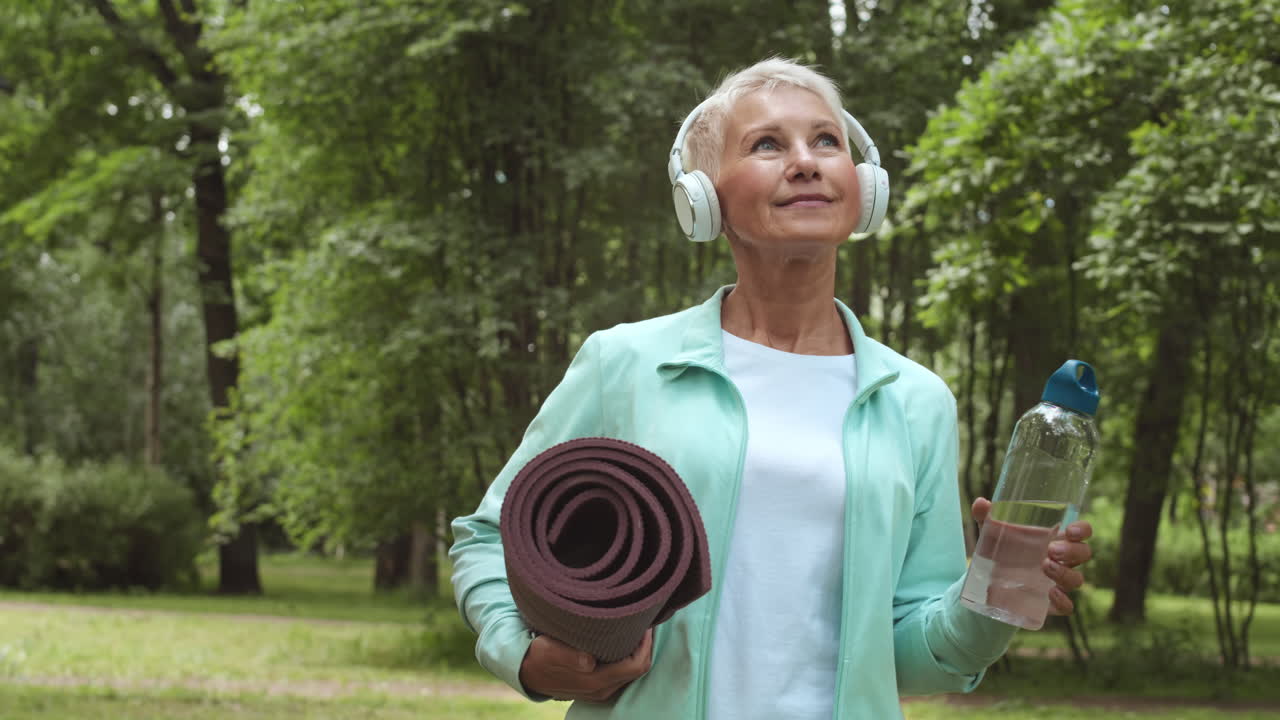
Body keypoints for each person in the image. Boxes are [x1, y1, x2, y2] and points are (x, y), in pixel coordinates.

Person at [449, 57, 1094, 720]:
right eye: (767, 145)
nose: (805, 162)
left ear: (863, 185)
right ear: (703, 198)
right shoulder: (628, 366)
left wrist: (992, 596)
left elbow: (904, 650)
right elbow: (488, 537)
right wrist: (523, 654)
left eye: (826, 141)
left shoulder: (917, 399)